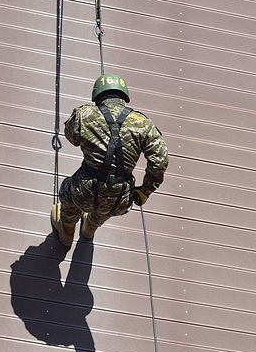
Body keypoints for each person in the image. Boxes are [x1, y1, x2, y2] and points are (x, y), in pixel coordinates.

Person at [51, 73, 169, 247]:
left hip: (85, 190)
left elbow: (71, 138)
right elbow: (159, 162)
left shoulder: (84, 115)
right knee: (107, 207)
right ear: (124, 96)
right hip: (119, 197)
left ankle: (67, 231)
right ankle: (89, 229)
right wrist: (145, 190)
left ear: (97, 96)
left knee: (67, 193)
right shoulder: (144, 124)